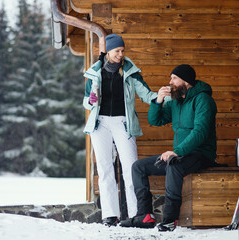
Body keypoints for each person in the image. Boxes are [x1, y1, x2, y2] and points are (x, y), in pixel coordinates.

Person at [120, 64, 218, 231]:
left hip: (200, 154)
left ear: (186, 82)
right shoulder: (175, 102)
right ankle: (144, 215)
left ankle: (170, 219)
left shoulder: (203, 100)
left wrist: (177, 151)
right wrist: (158, 101)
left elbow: (200, 132)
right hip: (180, 155)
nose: (170, 81)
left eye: (174, 78)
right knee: (138, 167)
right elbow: (155, 120)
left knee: (173, 165)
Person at [83, 34, 158, 227]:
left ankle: (136, 214)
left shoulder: (131, 73)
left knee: (131, 167)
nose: (121, 54)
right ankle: (110, 215)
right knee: (105, 168)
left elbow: (147, 95)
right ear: (108, 51)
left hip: (123, 123)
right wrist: (91, 101)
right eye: (117, 51)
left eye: (122, 51)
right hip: (100, 124)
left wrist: (161, 97)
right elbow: (86, 101)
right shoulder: (95, 73)